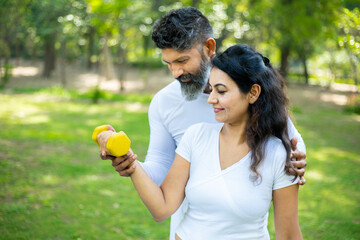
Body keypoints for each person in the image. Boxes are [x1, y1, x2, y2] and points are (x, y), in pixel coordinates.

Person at [98, 7, 307, 240]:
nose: (176, 72)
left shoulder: (248, 88)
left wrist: (295, 159)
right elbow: (160, 172)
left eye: (182, 60)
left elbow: (290, 146)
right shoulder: (166, 104)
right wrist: (129, 162)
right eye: (168, 63)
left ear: (209, 47)